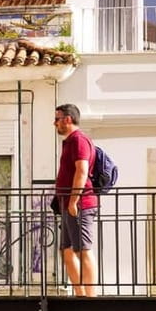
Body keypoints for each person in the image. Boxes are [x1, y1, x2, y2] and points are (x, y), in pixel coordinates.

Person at [54, 104, 98, 297]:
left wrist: (73, 201)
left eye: (57, 118)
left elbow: (81, 170)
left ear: (68, 119)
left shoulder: (79, 140)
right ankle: (79, 293)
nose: (54, 123)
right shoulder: (70, 141)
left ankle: (91, 296)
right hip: (67, 204)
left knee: (83, 249)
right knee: (67, 250)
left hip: (79, 204)